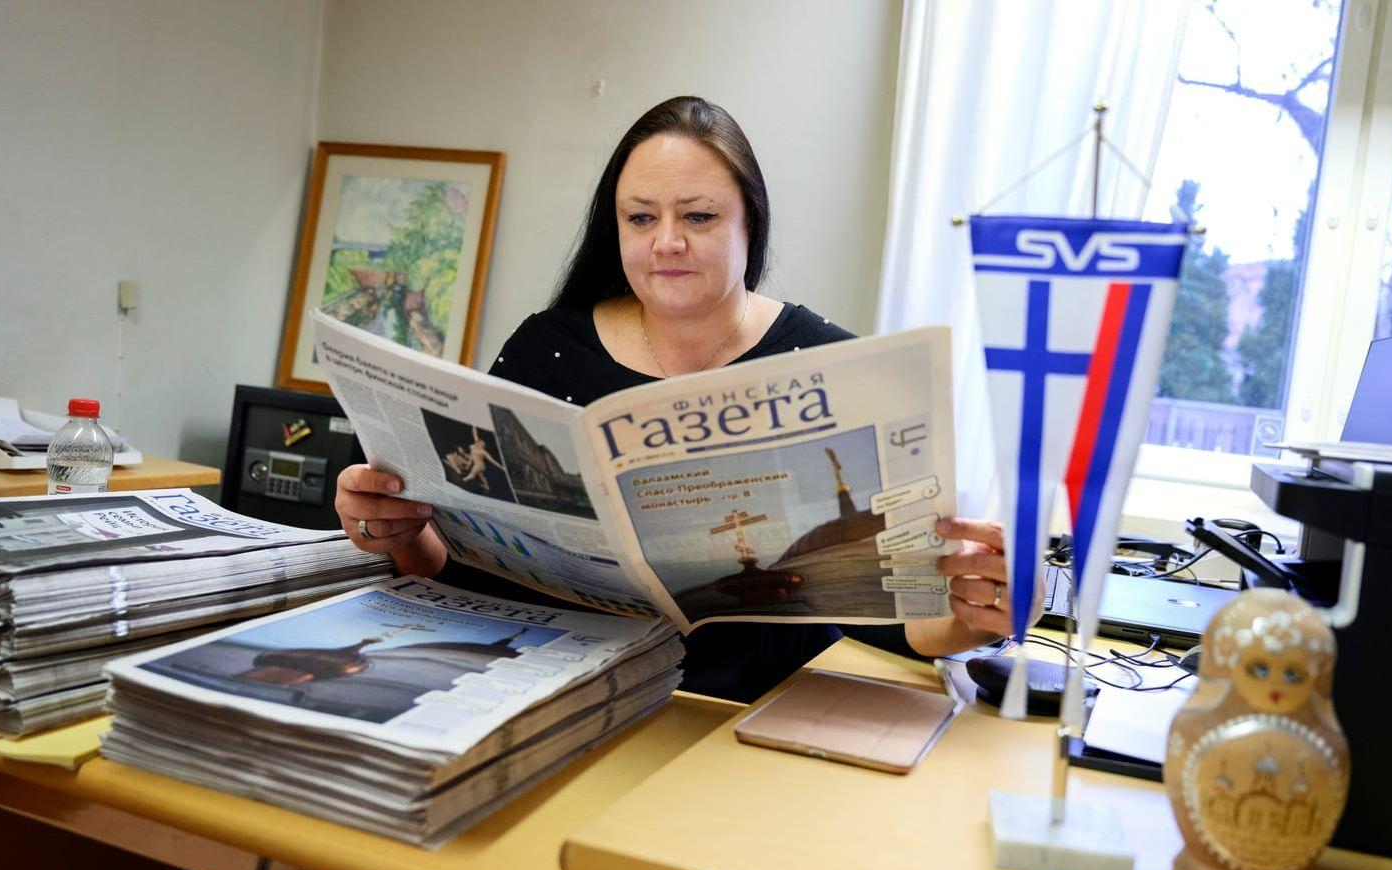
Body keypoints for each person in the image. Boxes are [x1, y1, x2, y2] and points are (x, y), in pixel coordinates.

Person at [334, 95, 1012, 704]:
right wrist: (405, 532)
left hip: (749, 719)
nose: (667, 242)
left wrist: (974, 612)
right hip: (559, 701)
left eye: (700, 215)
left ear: (752, 223)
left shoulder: (834, 364)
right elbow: (471, 568)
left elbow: (901, 620)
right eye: (640, 217)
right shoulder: (548, 348)